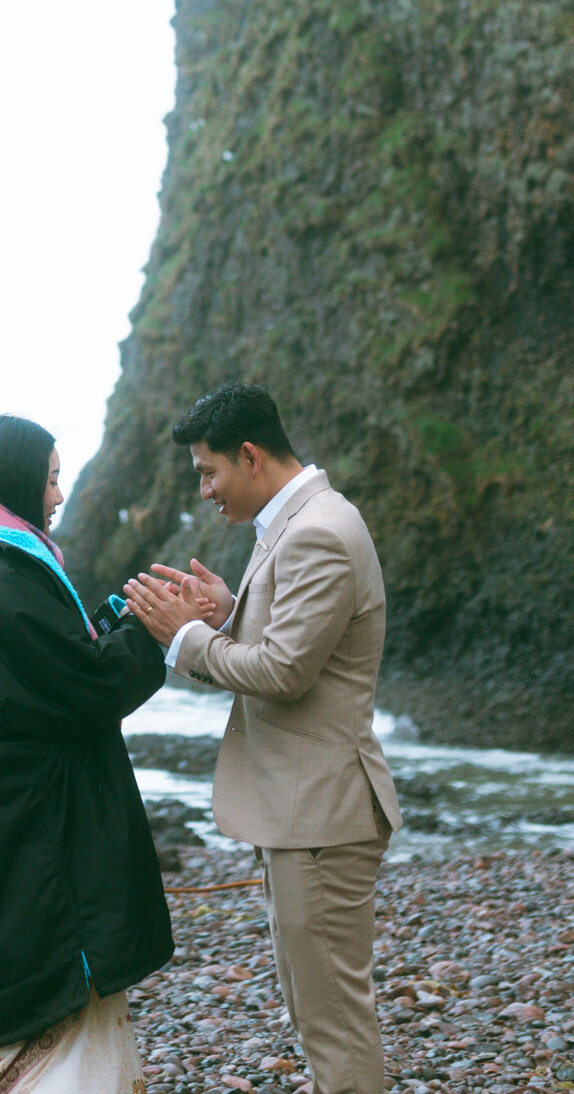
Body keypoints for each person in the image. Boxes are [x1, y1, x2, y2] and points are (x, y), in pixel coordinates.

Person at [123, 382, 401, 1094]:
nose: (207, 490)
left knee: (333, 1018)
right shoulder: (299, 521)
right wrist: (226, 614)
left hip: (321, 813)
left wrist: (186, 639)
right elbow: (291, 645)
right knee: (320, 1011)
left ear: (249, 456)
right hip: (306, 810)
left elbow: (284, 670)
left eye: (209, 471)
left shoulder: (317, 531)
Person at [0, 413, 173, 1093]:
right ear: (17, 479)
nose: (56, 495)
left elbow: (48, 668)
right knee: (56, 1019)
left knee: (34, 1014)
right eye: (50, 479)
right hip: (38, 838)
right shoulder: (0, 574)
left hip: (0, 826)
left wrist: (118, 621)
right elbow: (84, 686)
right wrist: (157, 631)